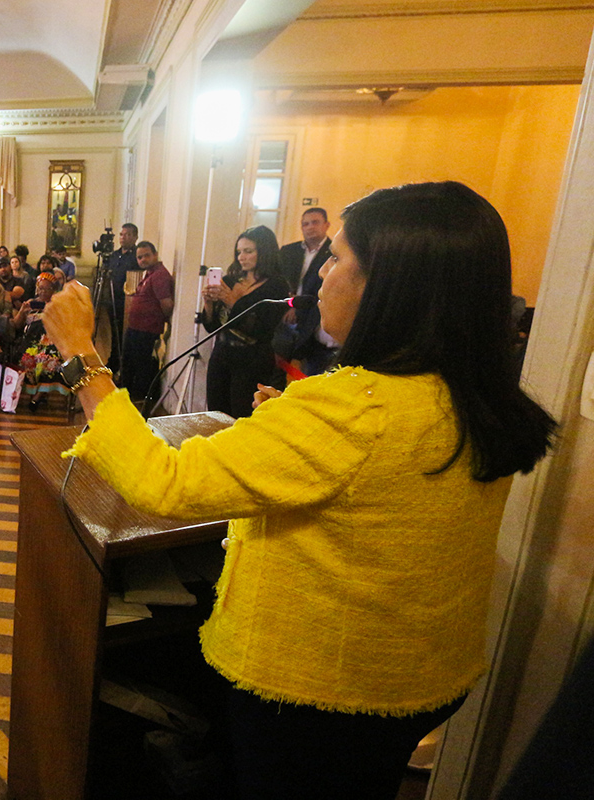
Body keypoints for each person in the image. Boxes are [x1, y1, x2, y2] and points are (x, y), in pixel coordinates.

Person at [41, 181, 557, 799]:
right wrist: (295, 416)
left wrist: (80, 353)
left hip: (319, 691)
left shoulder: (350, 411)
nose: (318, 278)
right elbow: (384, 480)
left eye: (337, 259)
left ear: (389, 289)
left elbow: (162, 480)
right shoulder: (469, 389)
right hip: (422, 674)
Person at [199, 226, 290, 418]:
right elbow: (213, 327)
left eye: (248, 251)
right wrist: (208, 304)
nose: (241, 257)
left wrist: (231, 301)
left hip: (251, 361)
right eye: (239, 252)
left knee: (241, 417)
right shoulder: (230, 280)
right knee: (216, 415)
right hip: (222, 355)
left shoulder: (277, 286)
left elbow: (262, 330)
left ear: (264, 251)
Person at [278, 207, 338, 377]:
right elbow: (280, 280)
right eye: (305, 224)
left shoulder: (334, 252)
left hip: (314, 317)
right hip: (285, 316)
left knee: (307, 372)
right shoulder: (288, 251)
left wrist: (298, 307)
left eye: (315, 222)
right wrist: (289, 305)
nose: (310, 227)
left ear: (326, 225)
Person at [122, 241, 175, 402]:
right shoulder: (150, 273)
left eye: (146, 255)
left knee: (141, 366)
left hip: (146, 330)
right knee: (129, 364)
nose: (142, 260)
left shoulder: (159, 275)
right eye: (139, 257)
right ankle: (125, 398)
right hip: (136, 327)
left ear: (155, 255)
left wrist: (155, 319)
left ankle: (140, 401)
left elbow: (167, 304)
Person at [9, 273, 67, 409]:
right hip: (31, 341)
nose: (42, 292)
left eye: (46, 289)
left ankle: (38, 395)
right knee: (25, 358)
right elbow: (17, 325)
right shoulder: (30, 303)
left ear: (53, 290)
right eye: (40, 288)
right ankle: (35, 393)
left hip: (52, 341)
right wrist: (22, 312)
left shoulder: (59, 304)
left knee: (49, 360)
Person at [106, 222, 142, 373]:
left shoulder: (136, 257)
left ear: (135, 237)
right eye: (121, 234)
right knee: (114, 332)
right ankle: (113, 360)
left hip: (127, 301)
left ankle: (124, 364)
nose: (123, 237)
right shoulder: (114, 255)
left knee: (124, 333)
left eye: (127, 234)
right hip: (112, 300)